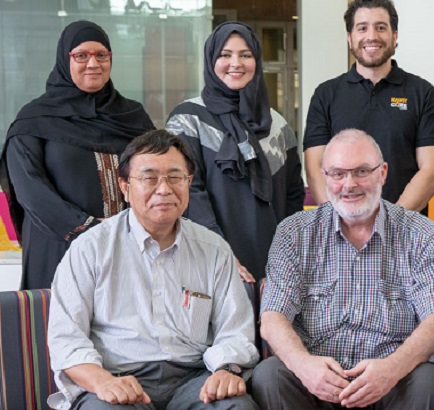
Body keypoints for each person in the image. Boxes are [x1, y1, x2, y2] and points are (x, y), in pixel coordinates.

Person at [47, 130, 260, 410]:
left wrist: (226, 370)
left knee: (236, 406)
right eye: (149, 178)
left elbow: (235, 330)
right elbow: (67, 338)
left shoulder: (214, 249)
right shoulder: (90, 248)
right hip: (118, 376)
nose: (164, 189)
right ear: (124, 186)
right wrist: (102, 381)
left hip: (194, 380)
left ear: (188, 182)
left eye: (175, 177)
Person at [252, 129, 434, 410]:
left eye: (361, 171)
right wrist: (305, 366)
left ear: (382, 173)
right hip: (317, 384)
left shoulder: (422, 234)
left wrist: (391, 369)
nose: (349, 184)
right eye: (337, 174)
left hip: (393, 382)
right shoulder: (293, 233)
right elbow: (272, 317)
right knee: (269, 376)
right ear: (324, 176)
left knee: (427, 381)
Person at [0, 20, 154, 290]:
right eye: (81, 55)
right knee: (60, 324)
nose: (93, 63)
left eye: (101, 55)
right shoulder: (35, 119)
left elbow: (154, 171)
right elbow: (30, 189)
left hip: (127, 245)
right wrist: (88, 228)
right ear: (65, 60)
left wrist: (138, 225)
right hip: (58, 245)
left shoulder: (133, 116)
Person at [166, 22, 304, 280]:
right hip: (206, 258)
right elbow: (186, 191)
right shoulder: (188, 118)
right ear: (211, 59)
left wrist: (285, 258)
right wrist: (220, 253)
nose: (236, 63)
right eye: (225, 55)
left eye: (246, 55)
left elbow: (292, 196)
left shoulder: (278, 125)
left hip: (271, 265)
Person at [303, 0, 434, 213]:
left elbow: (432, 170)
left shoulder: (422, 93)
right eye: (362, 28)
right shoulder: (326, 95)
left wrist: (390, 224)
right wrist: (342, 221)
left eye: (381, 27)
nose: (372, 36)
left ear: (395, 35)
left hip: (404, 233)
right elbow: (315, 169)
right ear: (349, 37)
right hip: (341, 233)